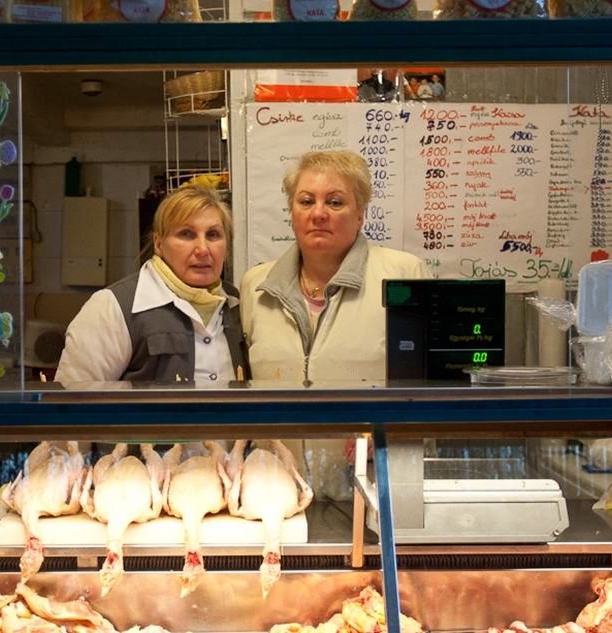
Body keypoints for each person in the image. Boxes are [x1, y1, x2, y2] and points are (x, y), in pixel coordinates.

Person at [240, 150, 433, 499]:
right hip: (274, 492)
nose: (318, 214)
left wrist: (391, 429)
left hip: (371, 492)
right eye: (306, 201)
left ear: (360, 215)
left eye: (335, 202)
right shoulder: (256, 286)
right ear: (292, 211)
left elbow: (434, 390)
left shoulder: (406, 275)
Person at [55, 186, 249, 385]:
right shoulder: (113, 306)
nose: (202, 249)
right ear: (158, 244)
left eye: (213, 235)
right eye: (186, 234)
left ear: (225, 248)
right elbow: (72, 401)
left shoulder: (237, 302)